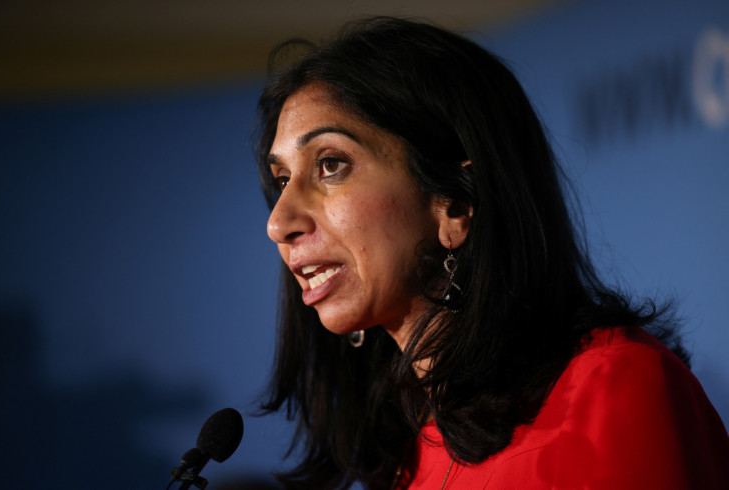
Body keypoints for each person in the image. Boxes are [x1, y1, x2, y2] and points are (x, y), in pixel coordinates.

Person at [254, 17, 729, 490]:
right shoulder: (410, 447)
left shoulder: (615, 388)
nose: (279, 223)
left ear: (456, 204)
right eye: (282, 181)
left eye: (330, 164)